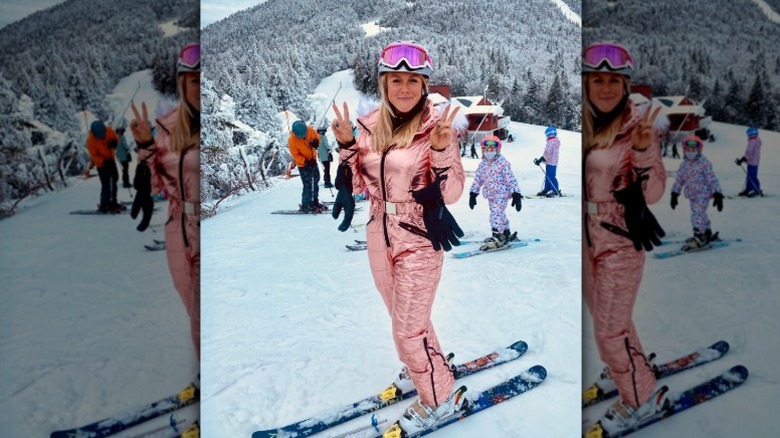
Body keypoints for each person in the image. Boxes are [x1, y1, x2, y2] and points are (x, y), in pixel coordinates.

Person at [330, 41, 466, 437]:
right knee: (407, 320)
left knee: (407, 330)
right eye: (396, 80)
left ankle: (439, 396)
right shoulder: (370, 125)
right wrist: (345, 148)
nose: (404, 88)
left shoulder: (435, 128)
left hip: (419, 234)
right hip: (377, 231)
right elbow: (359, 183)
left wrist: (440, 152)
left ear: (424, 85)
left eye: (412, 80)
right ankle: (427, 367)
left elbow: (453, 190)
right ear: (384, 83)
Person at [581, 42, 669, 437]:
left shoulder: (639, 128)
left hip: (619, 238)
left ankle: (641, 396)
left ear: (624, 84)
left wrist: (642, 150)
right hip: (585, 242)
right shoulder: (582, 123)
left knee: (608, 332)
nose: (604, 88)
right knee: (609, 320)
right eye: (596, 79)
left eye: (612, 80)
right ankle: (629, 364)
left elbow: (652, 194)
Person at [129, 42, 201, 360]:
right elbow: (159, 185)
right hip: (178, 231)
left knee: (201, 319)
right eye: (195, 80)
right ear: (183, 84)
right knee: (192, 312)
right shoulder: (167, 129)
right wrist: (145, 146)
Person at [468, 135, 522, 250]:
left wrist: (516, 194)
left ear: (497, 150)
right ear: (483, 150)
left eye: (492, 150)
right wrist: (473, 193)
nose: (489, 152)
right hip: (491, 195)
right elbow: (478, 179)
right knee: (499, 214)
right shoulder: (483, 165)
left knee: (495, 214)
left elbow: (510, 179)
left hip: (502, 194)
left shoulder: (502, 163)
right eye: (487, 150)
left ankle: (497, 234)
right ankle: (506, 232)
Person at [670, 135, 724, 249]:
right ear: (684, 150)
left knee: (697, 214)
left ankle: (698, 235)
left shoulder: (704, 163)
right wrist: (674, 194)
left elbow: (712, 178)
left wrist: (717, 193)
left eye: (693, 150)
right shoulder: (684, 164)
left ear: (699, 150)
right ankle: (707, 232)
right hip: (692, 194)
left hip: (703, 193)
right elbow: (679, 179)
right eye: (688, 150)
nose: (691, 152)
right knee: (701, 213)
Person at [288, 120, 325, 212]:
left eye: (304, 135)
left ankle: (315, 202)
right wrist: (305, 162)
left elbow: (317, 138)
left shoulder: (310, 130)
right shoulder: (292, 140)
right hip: (303, 165)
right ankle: (306, 204)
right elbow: (295, 155)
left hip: (313, 160)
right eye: (300, 136)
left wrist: (316, 142)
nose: (302, 137)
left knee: (315, 180)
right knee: (307, 184)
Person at [86, 120, 121, 213]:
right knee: (106, 184)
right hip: (101, 164)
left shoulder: (109, 130)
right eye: (99, 136)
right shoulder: (90, 140)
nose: (101, 137)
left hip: (111, 160)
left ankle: (113, 201)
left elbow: (116, 138)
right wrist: (103, 161)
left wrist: (114, 142)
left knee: (114, 180)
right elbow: (94, 155)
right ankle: (104, 204)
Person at [534, 125, 561, 196]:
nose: (546, 136)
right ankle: (547, 189)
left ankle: (555, 190)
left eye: (546, 134)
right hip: (551, 162)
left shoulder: (551, 142)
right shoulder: (554, 141)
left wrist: (541, 159)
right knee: (548, 176)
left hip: (551, 162)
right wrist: (542, 160)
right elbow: (549, 154)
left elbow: (548, 153)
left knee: (551, 177)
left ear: (549, 134)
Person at [736, 126, 762, 197]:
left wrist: (742, 159)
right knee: (749, 176)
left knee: (752, 176)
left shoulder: (752, 142)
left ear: (751, 134)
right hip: (753, 161)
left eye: (748, 134)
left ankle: (756, 190)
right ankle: (748, 189)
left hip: (753, 162)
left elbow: (749, 152)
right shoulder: (756, 140)